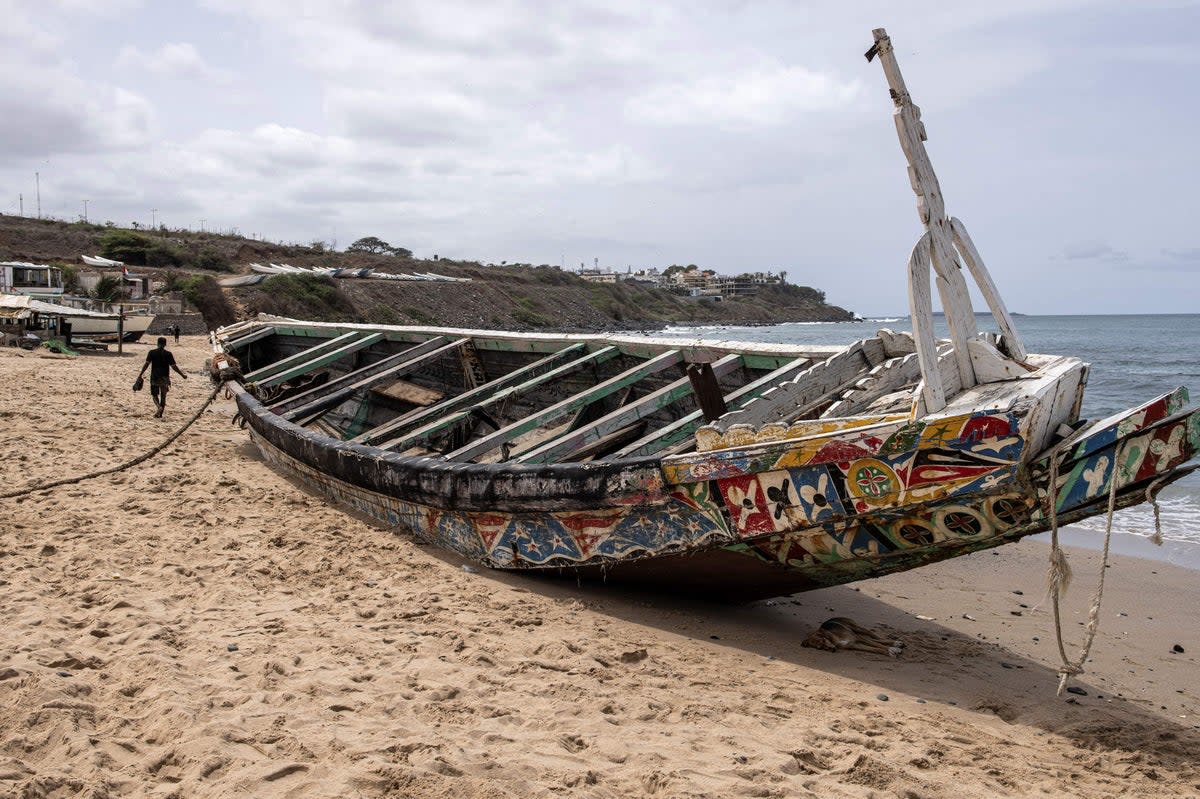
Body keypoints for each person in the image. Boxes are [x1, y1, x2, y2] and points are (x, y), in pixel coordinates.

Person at [138, 337, 187, 418]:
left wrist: (140, 374)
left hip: (155, 377)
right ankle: (160, 414)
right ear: (165, 344)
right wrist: (182, 375)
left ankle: (158, 407)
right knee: (163, 396)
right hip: (165, 378)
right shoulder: (168, 354)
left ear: (157, 343)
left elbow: (146, 364)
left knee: (154, 395)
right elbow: (174, 367)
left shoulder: (152, 352)